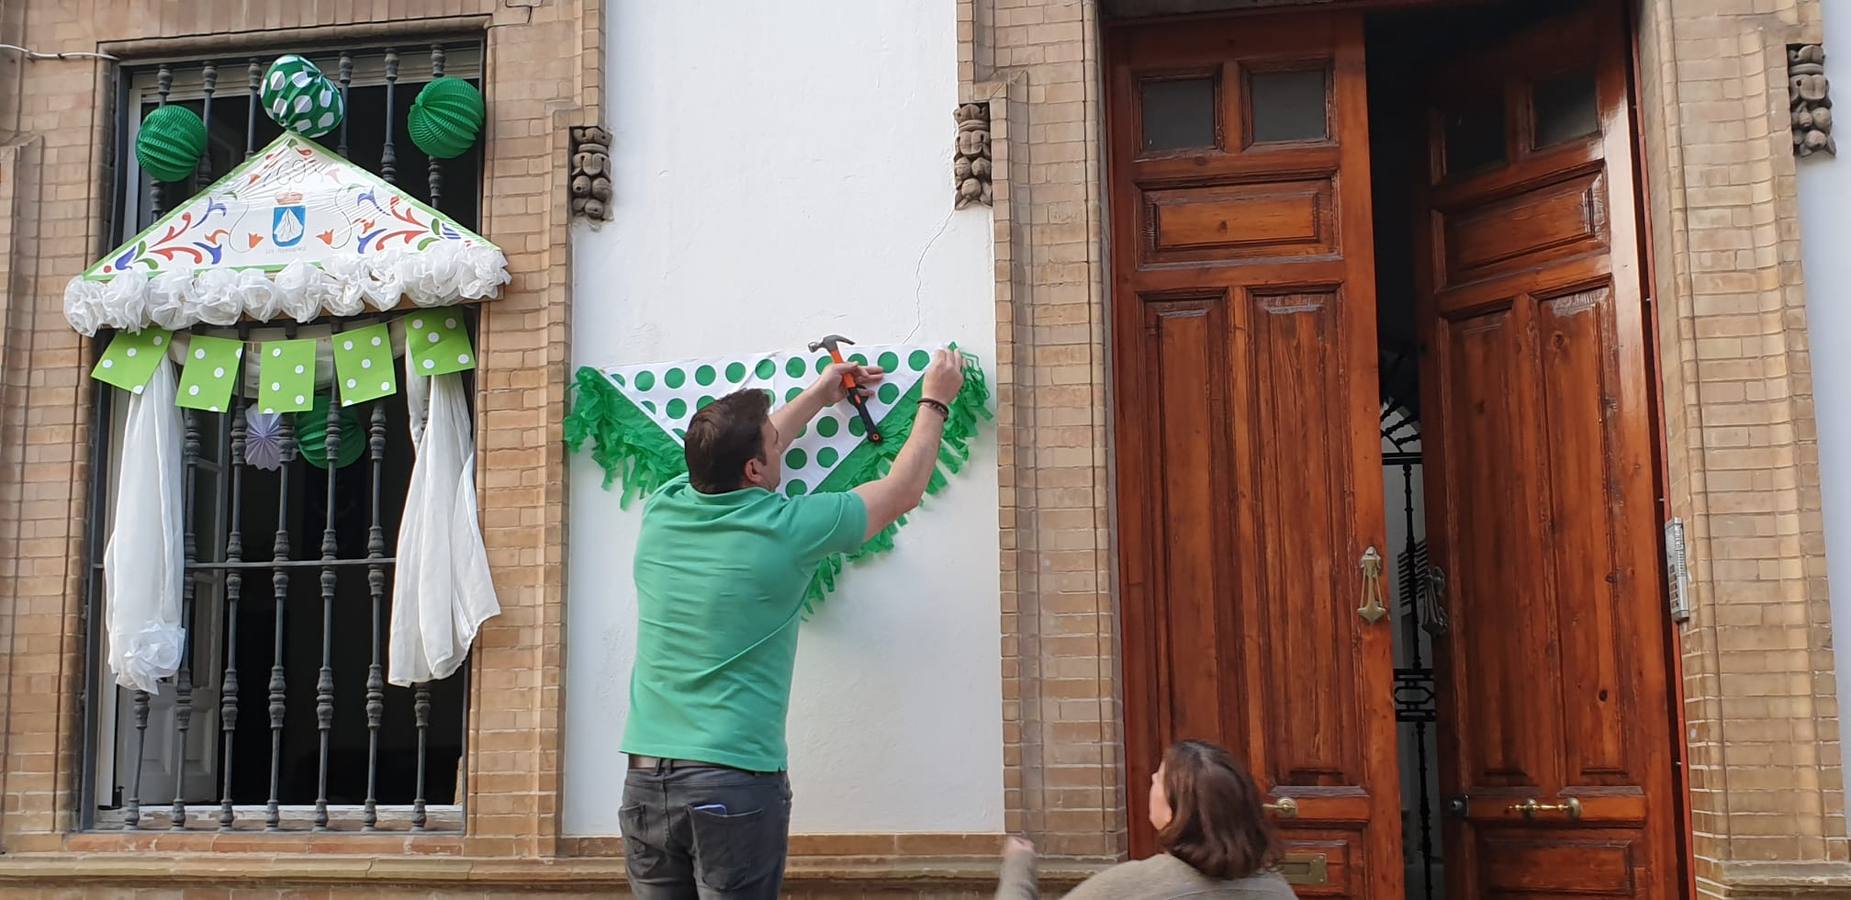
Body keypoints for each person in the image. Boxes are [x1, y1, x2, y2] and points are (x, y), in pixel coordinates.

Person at [619, 347, 967, 900]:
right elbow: (902, 491)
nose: (781, 441)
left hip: (644, 781)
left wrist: (817, 395)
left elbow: (734, 453)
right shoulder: (787, 528)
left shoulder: (666, 508)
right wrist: (935, 400)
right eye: (774, 443)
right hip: (730, 781)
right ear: (756, 469)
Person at [996, 740, 1296, 899]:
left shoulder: (1129, 887)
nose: (1152, 777)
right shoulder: (1274, 889)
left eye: (1161, 777)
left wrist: (1018, 867)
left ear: (1176, 810)